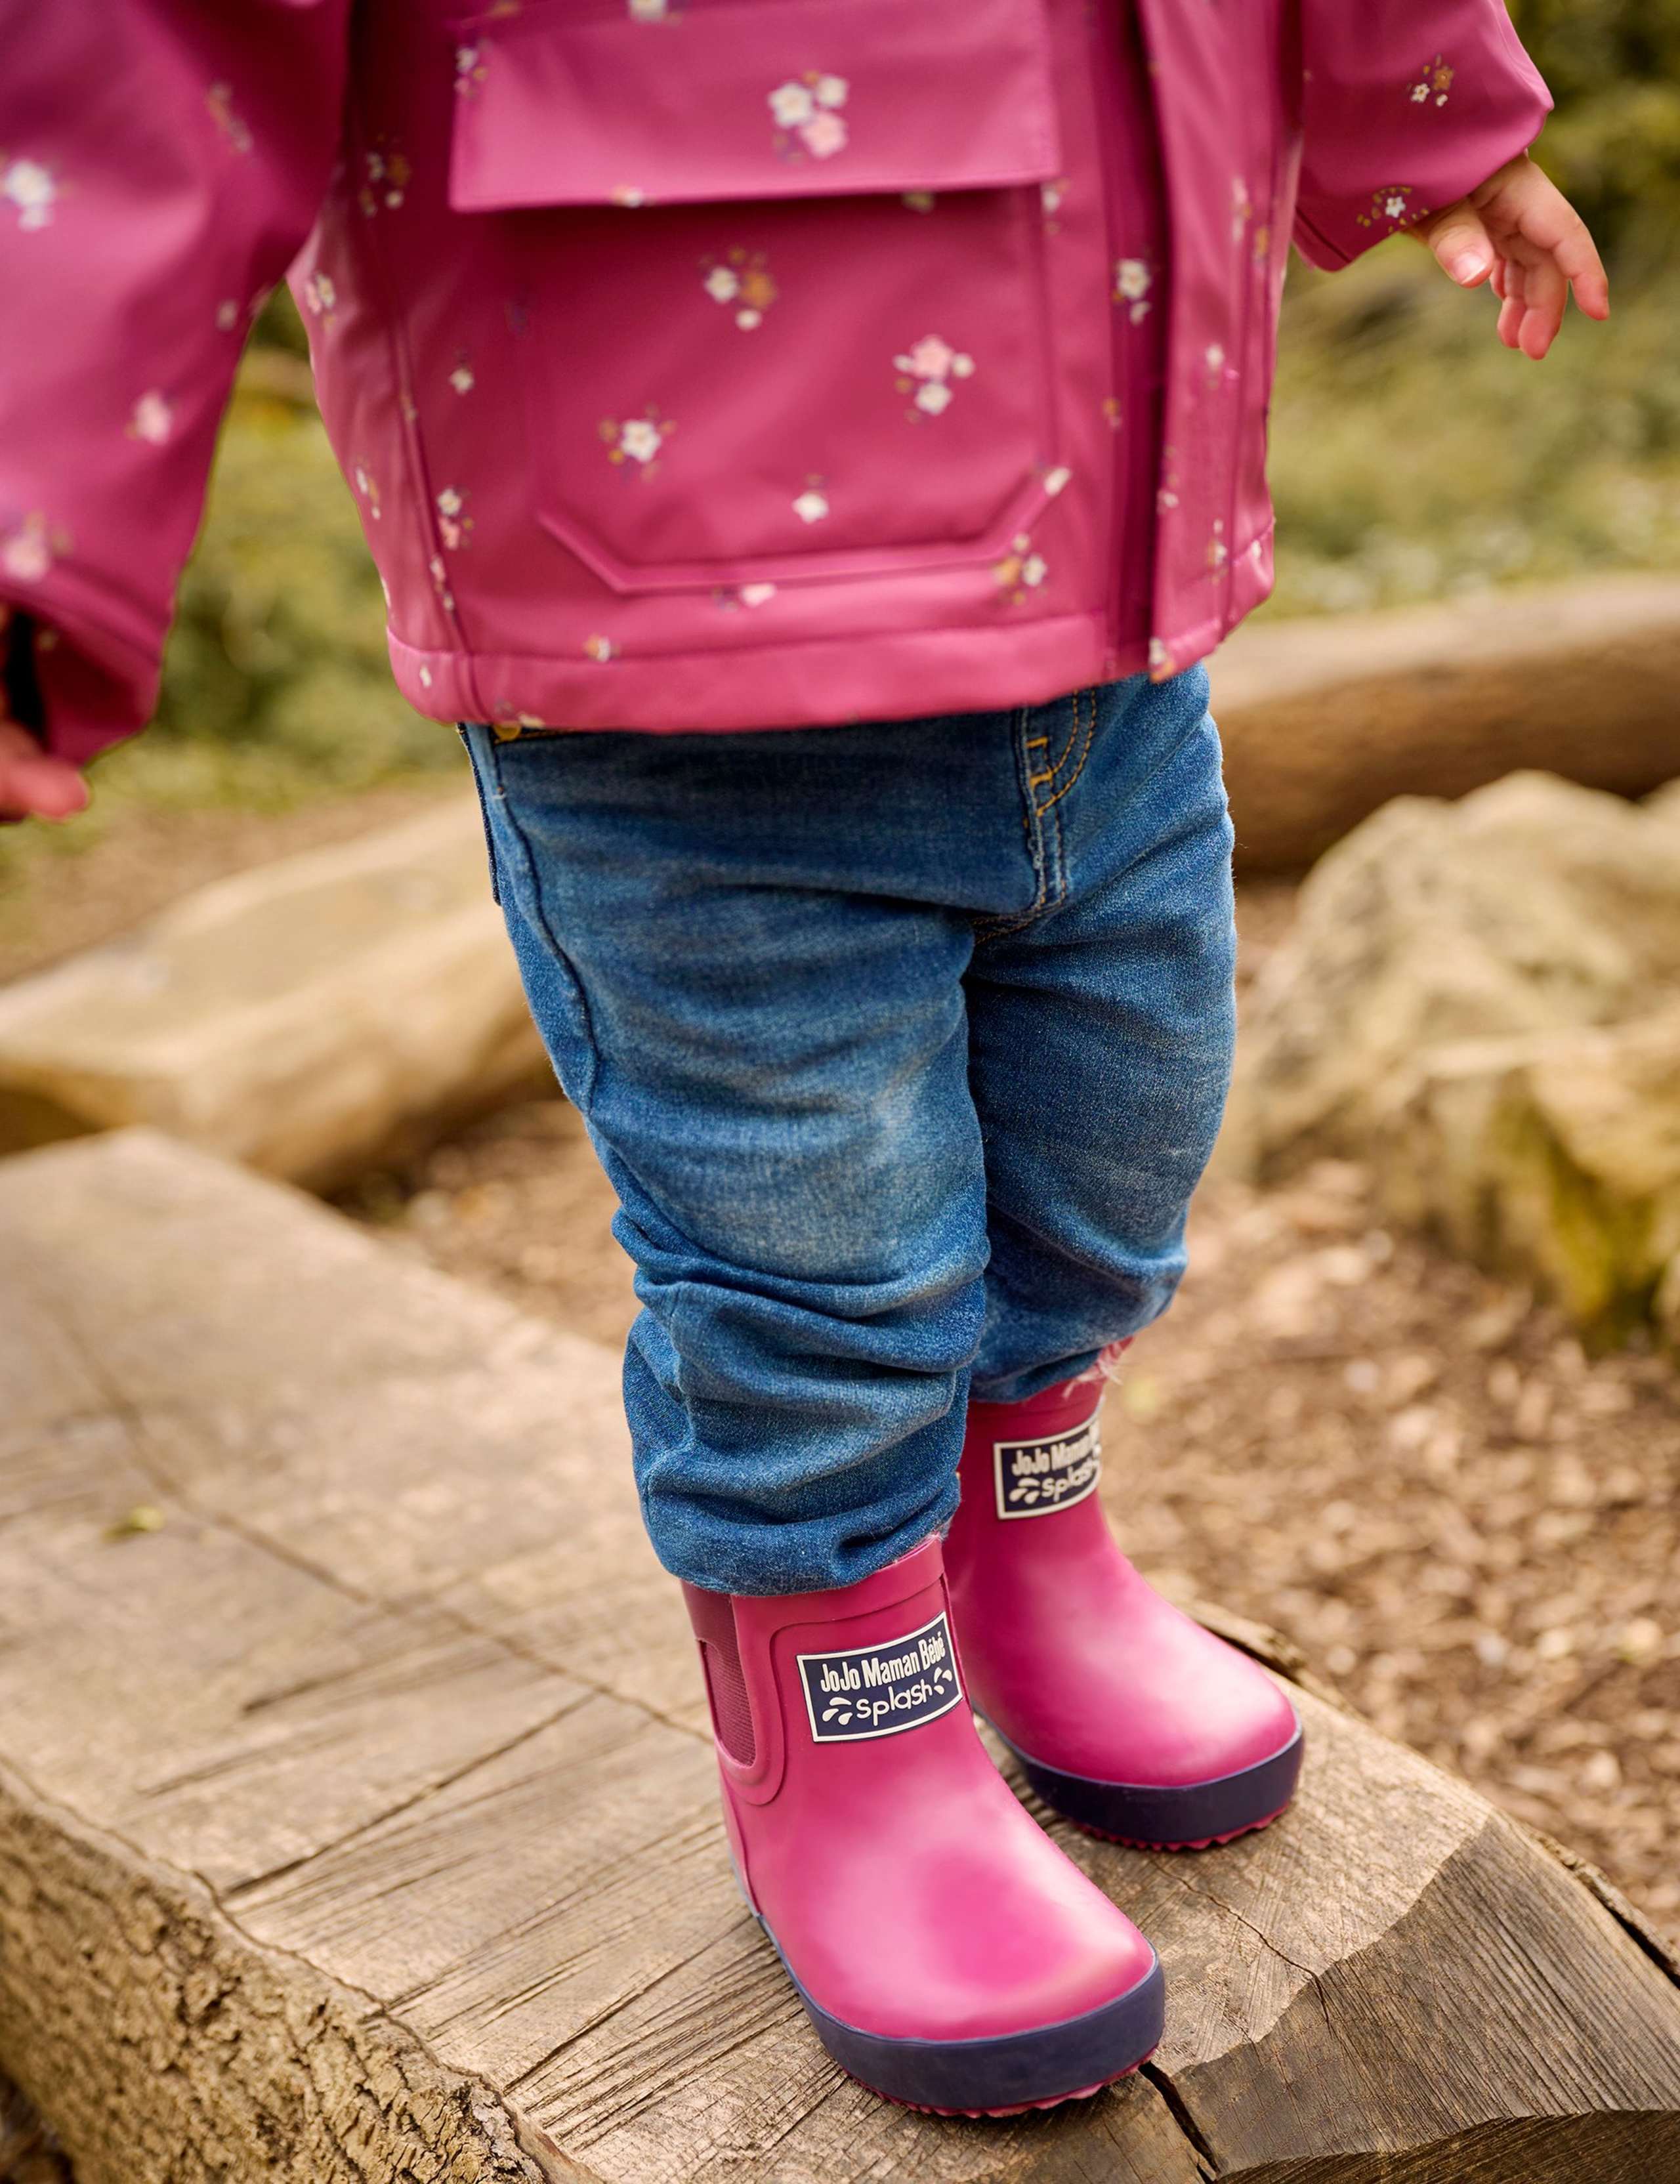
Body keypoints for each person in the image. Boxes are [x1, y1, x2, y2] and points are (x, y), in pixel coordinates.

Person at [1, 0, 1605, 2118]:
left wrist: (1434, 111)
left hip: (1121, 588)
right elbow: (142, 49)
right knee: (814, 1256)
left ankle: (1027, 1551)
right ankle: (841, 1715)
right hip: (678, 635)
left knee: (1116, 1142)